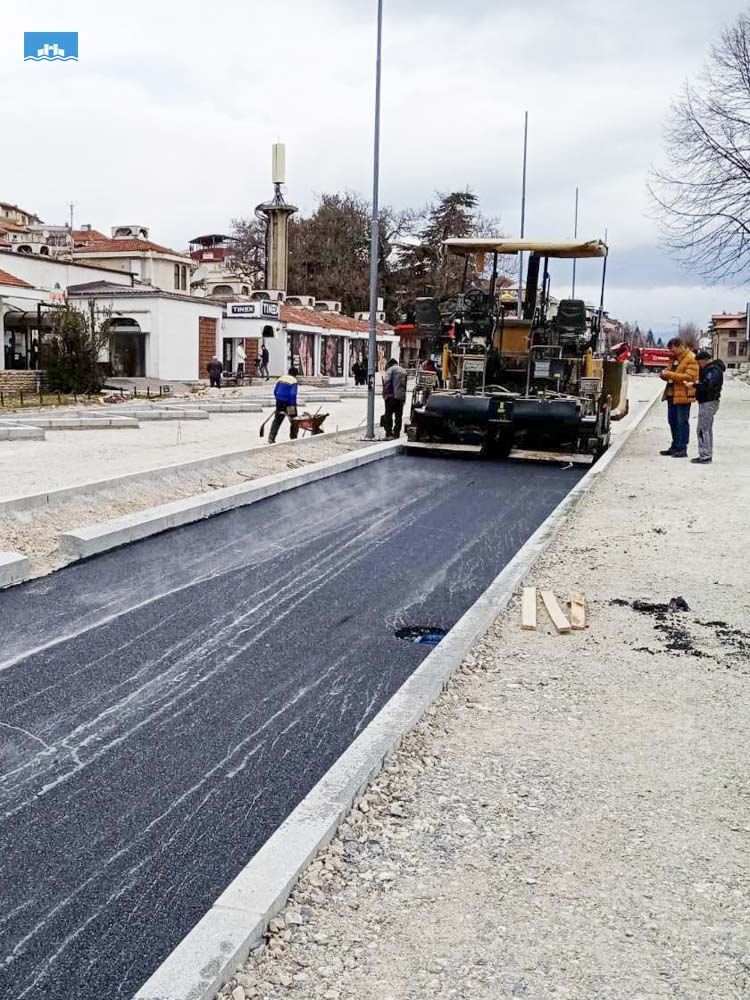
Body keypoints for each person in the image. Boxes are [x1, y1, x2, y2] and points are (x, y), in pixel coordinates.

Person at [659, 337, 698, 458]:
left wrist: (670, 374)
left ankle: (682, 448)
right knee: (672, 421)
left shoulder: (691, 358)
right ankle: (675, 446)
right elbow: (671, 373)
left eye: (673, 350)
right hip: (671, 394)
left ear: (680, 346)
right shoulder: (674, 358)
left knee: (682, 422)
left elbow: (690, 377)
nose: (672, 352)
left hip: (683, 395)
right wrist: (664, 375)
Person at [691, 349, 725, 464]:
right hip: (709, 402)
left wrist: (695, 385)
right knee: (707, 429)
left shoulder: (713, 371)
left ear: (705, 360)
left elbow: (708, 385)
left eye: (699, 362)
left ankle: (705, 456)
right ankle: (707, 454)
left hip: (708, 402)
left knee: (702, 429)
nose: (699, 365)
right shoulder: (712, 369)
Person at [268, 367, 299, 444]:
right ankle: (293, 437)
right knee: (294, 421)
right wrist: (293, 405)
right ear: (295, 375)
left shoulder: (281, 378)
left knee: (277, 420)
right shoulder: (293, 381)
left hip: (279, 402)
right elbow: (293, 394)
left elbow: (275, 391)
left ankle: (271, 438)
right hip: (289, 403)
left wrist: (278, 400)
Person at [382, 357, 408, 439]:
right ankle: (397, 433)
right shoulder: (404, 371)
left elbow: (386, 382)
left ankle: (389, 433)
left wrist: (385, 394)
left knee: (388, 415)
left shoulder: (390, 370)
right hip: (401, 397)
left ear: (390, 364)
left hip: (391, 397)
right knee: (398, 416)